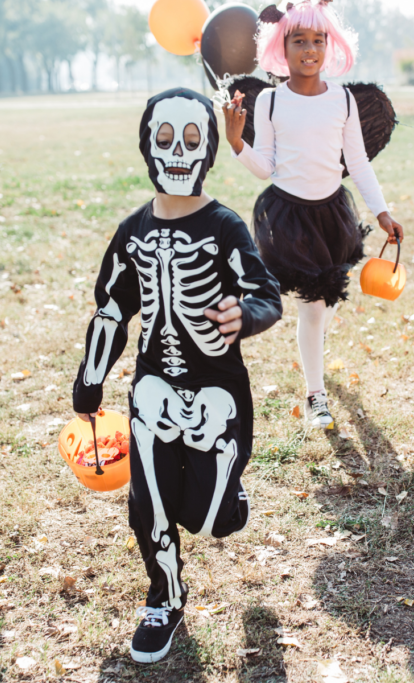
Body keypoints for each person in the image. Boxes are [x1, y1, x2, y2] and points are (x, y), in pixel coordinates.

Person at [71, 88, 282, 664]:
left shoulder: (222, 226)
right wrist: (89, 383)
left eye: (192, 139)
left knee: (210, 520)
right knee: (150, 502)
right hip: (154, 384)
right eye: (165, 139)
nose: (178, 151)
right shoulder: (132, 231)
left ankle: (225, 497)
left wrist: (247, 315)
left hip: (217, 389)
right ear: (148, 147)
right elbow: (113, 309)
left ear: (209, 149)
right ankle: (164, 595)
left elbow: (265, 292)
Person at [223, 0, 404, 430]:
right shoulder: (268, 101)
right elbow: (265, 167)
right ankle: (315, 396)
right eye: (298, 41)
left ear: (329, 45)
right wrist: (236, 142)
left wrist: (381, 211)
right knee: (313, 307)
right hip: (289, 217)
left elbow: (356, 163)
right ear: (281, 49)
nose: (309, 49)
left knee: (326, 302)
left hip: (332, 214)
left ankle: (315, 352)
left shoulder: (341, 100)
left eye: (317, 41)